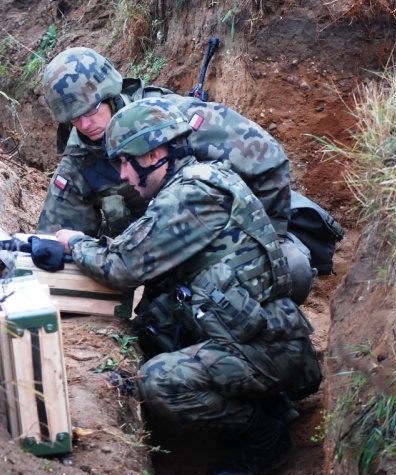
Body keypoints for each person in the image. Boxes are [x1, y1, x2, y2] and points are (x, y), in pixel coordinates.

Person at [54, 98, 321, 475]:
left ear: (157, 153)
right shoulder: (205, 178)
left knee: (156, 382)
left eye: (128, 161)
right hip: (266, 332)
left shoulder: (188, 198)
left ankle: (264, 438)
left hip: (266, 347)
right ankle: (263, 397)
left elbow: (121, 267)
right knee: (151, 326)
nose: (125, 175)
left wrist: (74, 243)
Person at [38, 46, 316, 305]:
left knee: (292, 267)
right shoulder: (79, 162)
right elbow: (56, 242)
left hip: (222, 242)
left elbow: (267, 157)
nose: (86, 125)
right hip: (152, 258)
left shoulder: (171, 119)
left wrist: (269, 235)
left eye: (92, 110)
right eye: (75, 119)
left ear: (110, 94)